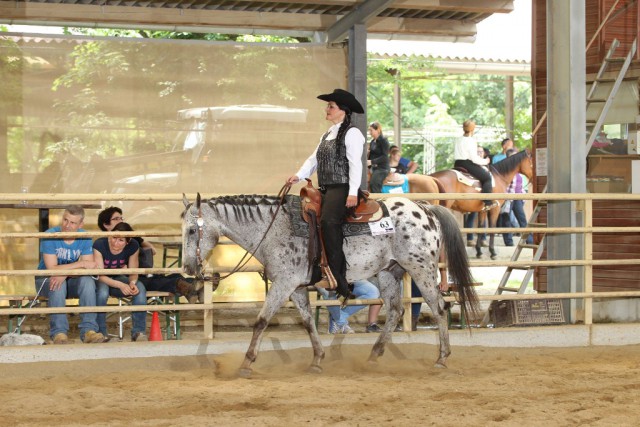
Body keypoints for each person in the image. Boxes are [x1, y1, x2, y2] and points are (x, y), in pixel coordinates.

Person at [286, 88, 365, 301]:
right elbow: (314, 160)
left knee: (330, 222)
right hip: (328, 188)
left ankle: (339, 279)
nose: (327, 109)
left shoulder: (353, 133)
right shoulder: (327, 134)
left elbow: (355, 164)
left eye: (331, 106)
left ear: (343, 111)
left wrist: (352, 193)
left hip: (343, 187)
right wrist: (299, 175)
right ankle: (317, 267)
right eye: (328, 105)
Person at [34, 205, 105, 344]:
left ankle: (88, 331)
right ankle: (59, 333)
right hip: (45, 280)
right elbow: (52, 270)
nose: (67, 225)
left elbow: (88, 268)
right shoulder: (50, 235)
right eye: (65, 220)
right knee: (57, 282)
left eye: (72, 222)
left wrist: (65, 273)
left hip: (70, 278)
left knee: (87, 281)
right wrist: (79, 264)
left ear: (80, 224)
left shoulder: (84, 237)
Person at [97, 206, 197, 302]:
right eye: (116, 219)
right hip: (128, 278)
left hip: (140, 272)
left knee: (160, 278)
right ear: (106, 225)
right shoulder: (102, 243)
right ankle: (188, 285)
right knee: (153, 282)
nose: (121, 221)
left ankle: (192, 285)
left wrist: (138, 249)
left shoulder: (130, 237)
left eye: (121, 218)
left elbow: (152, 250)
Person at [93, 222, 148, 341]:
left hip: (118, 277)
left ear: (127, 242)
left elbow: (133, 271)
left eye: (121, 240)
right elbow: (100, 274)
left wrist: (132, 283)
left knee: (139, 288)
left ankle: (138, 332)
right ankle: (101, 333)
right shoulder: (99, 244)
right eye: (114, 237)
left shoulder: (133, 245)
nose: (115, 242)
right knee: (102, 292)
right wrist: (121, 285)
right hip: (101, 278)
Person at [453, 120, 497, 211]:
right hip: (467, 163)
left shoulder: (458, 139)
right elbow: (474, 159)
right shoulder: (471, 140)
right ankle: (487, 202)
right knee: (487, 178)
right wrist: (486, 161)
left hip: (457, 163)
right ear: (473, 129)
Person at [465, 145, 491, 246]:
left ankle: (483, 238)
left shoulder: (486, 167)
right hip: (475, 194)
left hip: (483, 193)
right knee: (472, 217)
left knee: (483, 216)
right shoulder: (473, 166)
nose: (480, 153)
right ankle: (470, 239)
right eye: (477, 152)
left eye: (481, 152)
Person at [367, 121, 390, 193]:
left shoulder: (384, 141)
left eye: (371, 130)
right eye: (369, 130)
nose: (369, 132)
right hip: (373, 167)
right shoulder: (372, 142)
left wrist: (372, 162)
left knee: (374, 184)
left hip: (382, 168)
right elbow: (371, 155)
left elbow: (385, 156)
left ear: (378, 130)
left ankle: (378, 202)